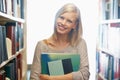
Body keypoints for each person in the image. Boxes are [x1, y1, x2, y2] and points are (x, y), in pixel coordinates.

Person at [30, 3, 90, 80]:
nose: (63, 23)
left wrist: (51, 78)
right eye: (61, 17)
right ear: (56, 17)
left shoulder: (80, 43)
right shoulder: (42, 45)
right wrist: (73, 76)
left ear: (75, 25)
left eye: (69, 21)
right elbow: (34, 77)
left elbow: (85, 75)